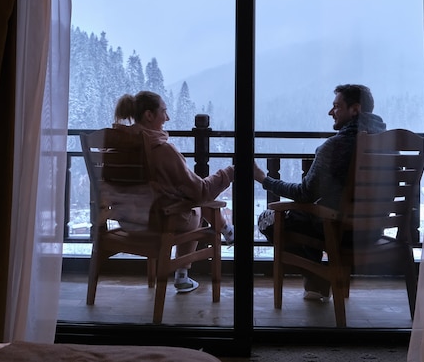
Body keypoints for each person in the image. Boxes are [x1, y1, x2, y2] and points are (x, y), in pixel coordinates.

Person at [253, 84, 386, 302]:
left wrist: (264, 179)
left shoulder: (337, 146)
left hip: (342, 232)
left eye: (336, 106)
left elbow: (305, 193)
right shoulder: (389, 143)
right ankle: (318, 282)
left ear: (355, 109)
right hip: (373, 231)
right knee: (308, 217)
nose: (330, 112)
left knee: (269, 219)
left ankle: (318, 278)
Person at [113, 91, 235, 293]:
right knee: (196, 200)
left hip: (127, 219)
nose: (167, 118)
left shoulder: (118, 146)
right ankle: (184, 273)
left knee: (188, 196)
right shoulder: (161, 150)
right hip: (158, 222)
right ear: (149, 115)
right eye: (164, 111)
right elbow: (201, 191)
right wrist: (229, 173)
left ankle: (226, 233)